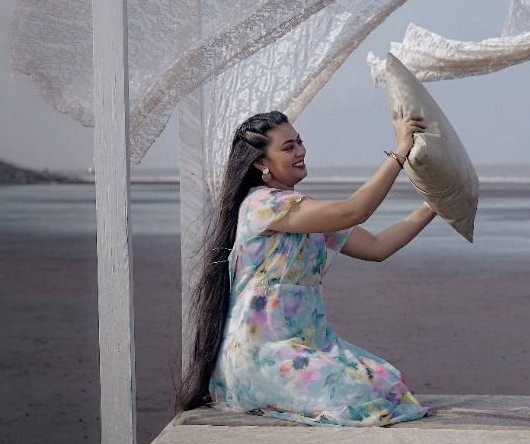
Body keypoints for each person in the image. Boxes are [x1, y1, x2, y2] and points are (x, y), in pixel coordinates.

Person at [175, 109, 438, 426]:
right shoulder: (262, 205)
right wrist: (400, 151)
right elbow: (354, 210)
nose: (300, 151)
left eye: (299, 142)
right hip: (260, 356)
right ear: (260, 162)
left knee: (388, 383)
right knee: (357, 396)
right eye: (288, 147)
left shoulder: (303, 213)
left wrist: (434, 205)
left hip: (306, 348)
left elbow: (377, 246)